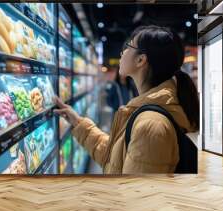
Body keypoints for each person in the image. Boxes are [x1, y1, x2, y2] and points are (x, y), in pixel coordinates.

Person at [54, 25, 199, 174]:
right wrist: (77, 122)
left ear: (141, 60)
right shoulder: (147, 114)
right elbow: (116, 159)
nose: (122, 52)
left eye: (128, 46)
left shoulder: (150, 125)